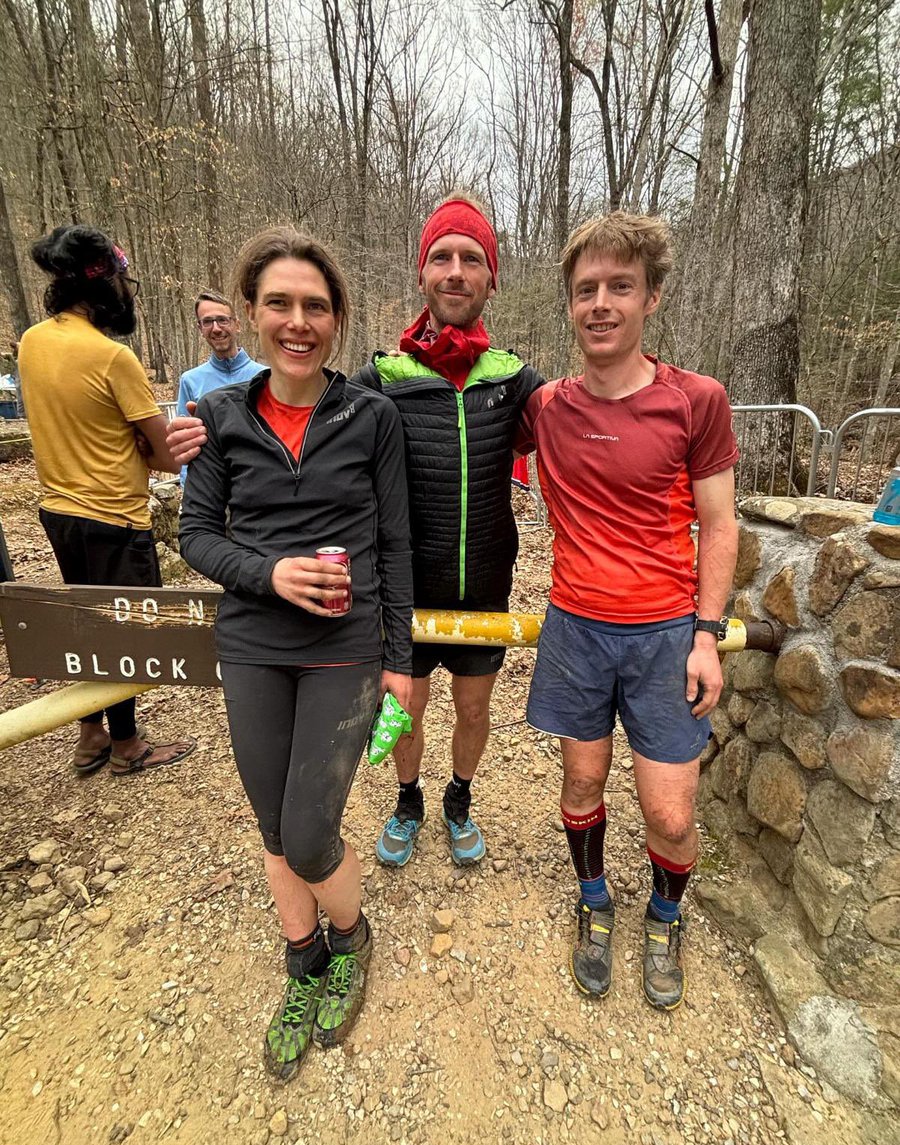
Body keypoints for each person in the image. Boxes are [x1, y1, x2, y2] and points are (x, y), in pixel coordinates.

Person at [168, 195, 543, 870]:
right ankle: (408, 800)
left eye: (472, 259)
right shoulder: (381, 380)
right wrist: (209, 434)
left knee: (476, 710)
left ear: (493, 278)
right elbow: (308, 410)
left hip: (486, 582)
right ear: (421, 275)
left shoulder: (515, 381)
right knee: (406, 711)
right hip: (402, 594)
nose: (455, 272)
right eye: (441, 257)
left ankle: (459, 798)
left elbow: (584, 430)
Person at [178, 228, 413, 1077]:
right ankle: (302, 958)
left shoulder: (371, 415)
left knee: (312, 831)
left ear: (338, 318)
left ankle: (351, 937)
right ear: (250, 313)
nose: (298, 321)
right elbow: (196, 535)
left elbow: (394, 544)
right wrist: (268, 573)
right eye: (279, 303)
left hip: (344, 649)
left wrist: (399, 659)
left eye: (316, 305)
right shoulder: (218, 417)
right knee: (273, 823)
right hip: (251, 646)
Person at [517, 212, 739, 1011]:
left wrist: (707, 636)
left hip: (664, 635)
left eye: (620, 287)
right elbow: (452, 428)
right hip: (576, 626)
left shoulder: (697, 400)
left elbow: (720, 524)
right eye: (586, 290)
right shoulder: (543, 406)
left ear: (651, 298)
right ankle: (594, 898)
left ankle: (667, 912)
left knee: (672, 815)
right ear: (569, 304)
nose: (601, 303)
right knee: (581, 779)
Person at [17, 225, 194, 777]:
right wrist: (141, 446)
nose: (128, 292)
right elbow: (168, 456)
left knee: (89, 623)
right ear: (103, 285)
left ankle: (90, 733)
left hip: (58, 512)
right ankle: (127, 744)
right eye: (123, 281)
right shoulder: (111, 358)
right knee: (128, 631)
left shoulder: (31, 342)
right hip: (114, 515)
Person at [175, 290, 262, 483]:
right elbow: (185, 443)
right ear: (200, 328)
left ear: (237, 324)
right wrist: (187, 486)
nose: (216, 328)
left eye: (222, 320)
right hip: (211, 487)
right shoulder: (190, 381)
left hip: (259, 484)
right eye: (207, 322)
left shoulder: (266, 376)